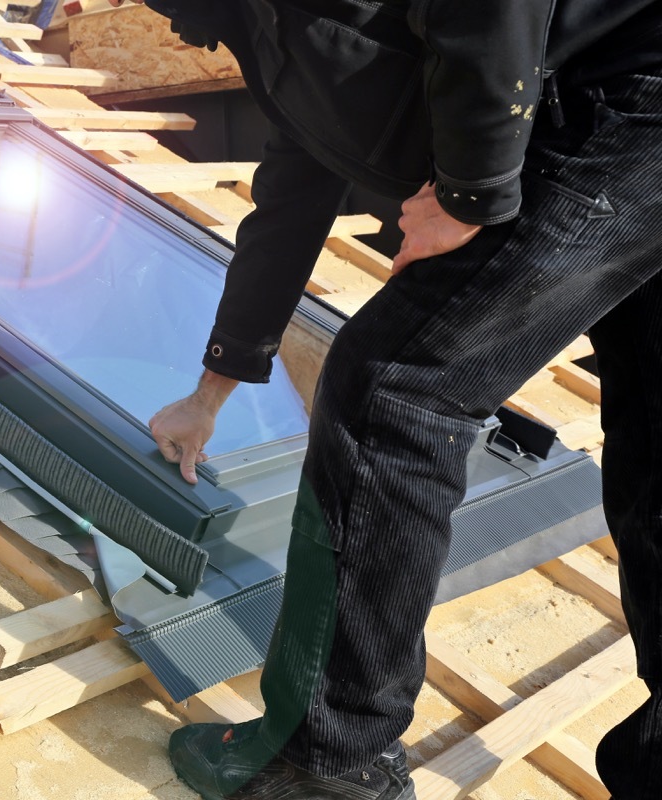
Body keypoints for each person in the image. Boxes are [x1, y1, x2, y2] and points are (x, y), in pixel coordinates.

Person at [107, 0, 662, 798]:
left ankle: (330, 763)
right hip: (628, 89)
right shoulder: (268, 30)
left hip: (631, 98)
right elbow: (292, 198)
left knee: (393, 391)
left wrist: (473, 192)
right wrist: (211, 391)